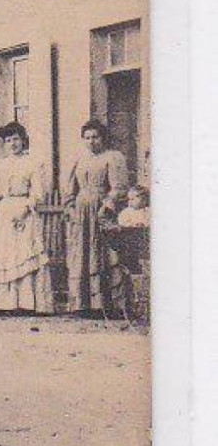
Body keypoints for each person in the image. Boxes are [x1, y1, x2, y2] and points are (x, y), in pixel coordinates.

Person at [0, 121, 53, 313]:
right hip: (4, 212)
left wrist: (25, 209)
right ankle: (0, 302)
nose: (13, 144)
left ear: (24, 141)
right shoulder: (1, 165)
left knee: (22, 253)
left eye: (16, 139)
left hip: (24, 212)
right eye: (8, 140)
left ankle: (24, 302)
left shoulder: (33, 163)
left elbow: (38, 193)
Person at [64, 118, 131, 314]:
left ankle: (103, 304)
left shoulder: (112, 157)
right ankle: (81, 304)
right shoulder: (80, 159)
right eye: (87, 138)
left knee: (100, 253)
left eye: (95, 137)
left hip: (101, 211)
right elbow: (70, 188)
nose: (91, 141)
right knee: (81, 252)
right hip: (81, 211)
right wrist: (70, 206)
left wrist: (106, 206)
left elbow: (119, 187)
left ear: (103, 138)